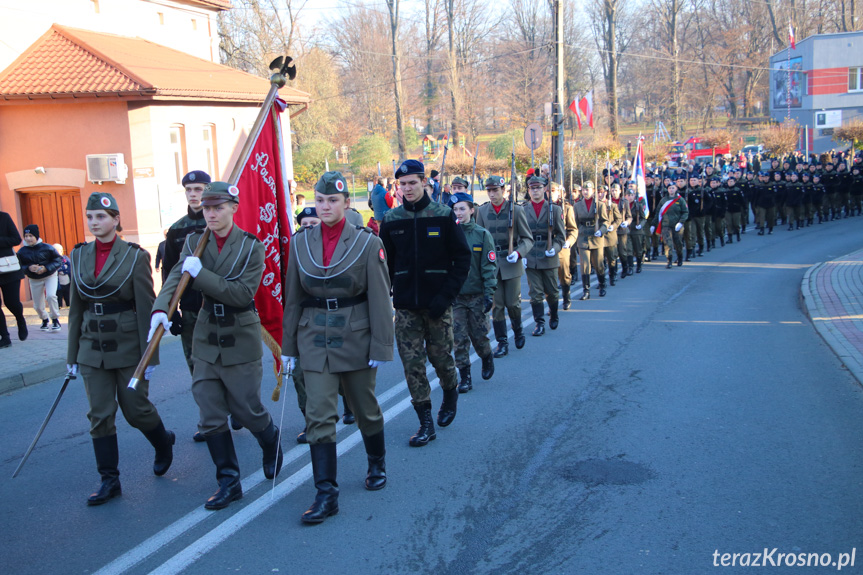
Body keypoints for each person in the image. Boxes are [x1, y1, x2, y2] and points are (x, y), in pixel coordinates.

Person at [151, 181, 284, 510]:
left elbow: (241, 294)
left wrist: (203, 276)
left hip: (240, 333)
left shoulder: (251, 246)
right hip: (207, 334)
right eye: (207, 208)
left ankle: (270, 440)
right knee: (209, 412)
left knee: (246, 409)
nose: (210, 213)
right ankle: (228, 481)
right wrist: (160, 308)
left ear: (233, 208)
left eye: (217, 207)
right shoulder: (194, 242)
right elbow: (175, 280)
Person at [282, 171, 394, 524]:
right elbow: (293, 298)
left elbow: (379, 297)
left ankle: (376, 462)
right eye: (320, 200)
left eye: (333, 200)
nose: (326, 206)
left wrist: (381, 345)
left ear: (347, 203)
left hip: (355, 336)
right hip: (313, 338)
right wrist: (288, 348)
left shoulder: (366, 243)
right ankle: (326, 493)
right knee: (318, 415)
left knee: (365, 409)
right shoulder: (300, 243)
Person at [67, 192, 175, 505]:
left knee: (135, 409)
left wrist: (150, 356)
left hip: (128, 346)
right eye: (90, 217)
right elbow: (76, 309)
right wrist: (71, 356)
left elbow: (146, 308)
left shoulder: (134, 256)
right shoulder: (78, 256)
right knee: (99, 415)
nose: (94, 223)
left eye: (101, 217)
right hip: (92, 348)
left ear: (115, 219)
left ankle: (163, 443)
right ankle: (109, 480)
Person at [379, 159, 470, 447]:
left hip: (438, 306)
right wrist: (387, 298)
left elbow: (462, 258)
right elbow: (385, 265)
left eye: (412, 183)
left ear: (424, 183)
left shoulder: (443, 215)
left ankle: (450, 392)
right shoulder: (392, 220)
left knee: (442, 361)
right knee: (412, 365)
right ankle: (425, 421)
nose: (407, 188)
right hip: (406, 308)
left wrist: (445, 297)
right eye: (402, 184)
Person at [162, 170, 214, 442]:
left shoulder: (219, 223)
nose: (194, 194)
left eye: (199, 188)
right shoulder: (177, 229)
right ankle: (208, 420)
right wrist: (172, 312)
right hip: (192, 309)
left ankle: (234, 408)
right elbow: (169, 273)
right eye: (189, 190)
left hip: (221, 308)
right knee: (197, 367)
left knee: (224, 363)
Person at [475, 176, 533, 357]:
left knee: (513, 303)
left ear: (503, 190)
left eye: (496, 190)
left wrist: (519, 252)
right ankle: (502, 342)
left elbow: (527, 238)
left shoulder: (515, 210)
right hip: (492, 264)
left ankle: (518, 331)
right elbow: (479, 239)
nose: (492, 194)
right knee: (497, 305)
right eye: (489, 191)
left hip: (511, 262)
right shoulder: (482, 211)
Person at [448, 192, 496, 393]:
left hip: (476, 295)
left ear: (471, 210)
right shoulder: (449, 234)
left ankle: (486, 356)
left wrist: (489, 293)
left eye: (462, 208)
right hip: (456, 296)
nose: (458, 213)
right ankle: (465, 377)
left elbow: (488, 266)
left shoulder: (482, 235)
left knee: (479, 336)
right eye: (455, 209)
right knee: (459, 338)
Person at [522, 175, 565, 336]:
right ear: (528, 190)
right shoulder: (523, 209)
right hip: (531, 254)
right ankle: (539, 323)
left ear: (544, 189)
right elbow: (519, 235)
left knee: (552, 291)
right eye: (532, 188)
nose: (535, 191)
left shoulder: (555, 209)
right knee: (535, 293)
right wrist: (522, 253)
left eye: (538, 188)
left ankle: (553, 314)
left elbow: (561, 236)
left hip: (548, 255)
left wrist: (554, 248)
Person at [17, 225, 62, 331]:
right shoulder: (22, 251)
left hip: (50, 275)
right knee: (37, 305)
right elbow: (19, 265)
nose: (28, 238)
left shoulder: (47, 247)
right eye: (26, 236)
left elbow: (58, 260)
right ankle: (44, 319)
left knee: (51, 296)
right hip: (34, 279)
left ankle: (55, 320)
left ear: (36, 236)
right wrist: (28, 268)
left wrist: (45, 268)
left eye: (31, 235)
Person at [573, 181, 609, 300]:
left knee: (598, 264)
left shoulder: (599, 205)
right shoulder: (577, 205)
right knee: (585, 265)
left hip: (596, 236)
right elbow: (575, 223)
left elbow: (605, 221)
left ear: (593, 191)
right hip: (583, 236)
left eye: (588, 189)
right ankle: (586, 290)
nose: (586, 192)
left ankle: (602, 285)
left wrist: (602, 230)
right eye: (584, 190)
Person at [0, 210, 26, 347]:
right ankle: (5, 337)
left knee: (12, 302)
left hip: (8, 268)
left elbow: (16, 239)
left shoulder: (4, 217)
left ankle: (20, 319)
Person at [650, 182, 689, 268]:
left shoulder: (680, 200)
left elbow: (685, 212)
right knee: (668, 243)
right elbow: (658, 213)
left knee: (678, 243)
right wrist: (653, 224)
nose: (671, 190)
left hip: (677, 225)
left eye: (673, 188)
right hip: (666, 225)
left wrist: (681, 222)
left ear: (676, 189)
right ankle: (669, 260)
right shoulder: (663, 200)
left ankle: (680, 257)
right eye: (669, 188)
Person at [54, 243, 71, 308]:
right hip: (57, 282)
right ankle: (59, 306)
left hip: (66, 281)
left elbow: (70, 267)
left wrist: (64, 270)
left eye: (58, 250)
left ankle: (68, 305)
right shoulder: (52, 260)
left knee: (67, 294)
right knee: (58, 294)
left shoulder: (66, 259)